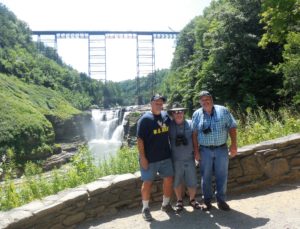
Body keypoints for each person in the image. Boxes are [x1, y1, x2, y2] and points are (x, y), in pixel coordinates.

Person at [192, 91, 237, 211]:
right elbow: (194, 133)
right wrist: (196, 151)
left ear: (211, 99)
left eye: (207, 99)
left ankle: (221, 200)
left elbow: (232, 126)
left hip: (221, 149)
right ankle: (207, 201)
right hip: (204, 150)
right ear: (200, 102)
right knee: (205, 177)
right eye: (203, 100)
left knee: (222, 176)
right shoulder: (196, 114)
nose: (205, 102)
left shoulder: (223, 110)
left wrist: (234, 145)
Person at [137, 94, 174, 221]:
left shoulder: (165, 117)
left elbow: (171, 133)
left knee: (169, 179)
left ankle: (165, 204)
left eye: (161, 103)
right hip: (150, 158)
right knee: (147, 182)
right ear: (151, 103)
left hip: (165, 156)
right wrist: (143, 157)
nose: (159, 105)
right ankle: (145, 208)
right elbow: (140, 140)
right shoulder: (145, 119)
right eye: (156, 102)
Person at [168, 102, 201, 212]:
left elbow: (196, 139)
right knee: (177, 181)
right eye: (175, 112)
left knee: (192, 181)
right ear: (172, 114)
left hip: (190, 158)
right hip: (175, 159)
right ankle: (179, 201)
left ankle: (192, 200)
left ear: (184, 113)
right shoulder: (168, 126)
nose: (178, 114)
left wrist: (197, 152)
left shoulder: (191, 124)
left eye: (180, 111)